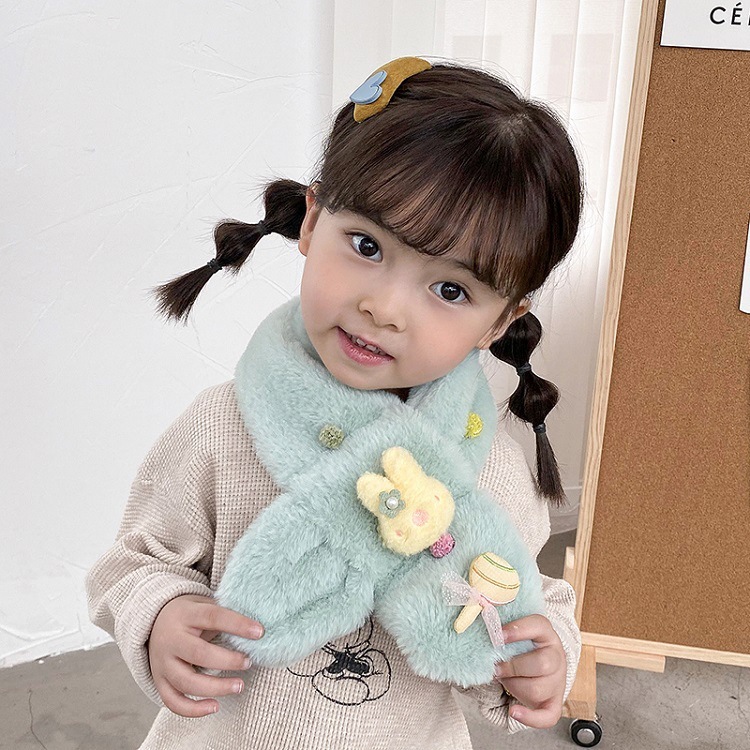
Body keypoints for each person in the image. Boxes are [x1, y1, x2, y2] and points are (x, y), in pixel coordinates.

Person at [86, 57, 583, 750]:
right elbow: (132, 563)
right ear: (312, 221)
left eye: (450, 290)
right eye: (367, 245)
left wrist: (544, 655)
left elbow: (535, 598)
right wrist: (161, 615)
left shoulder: (490, 468)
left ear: (500, 321)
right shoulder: (223, 427)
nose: (384, 308)